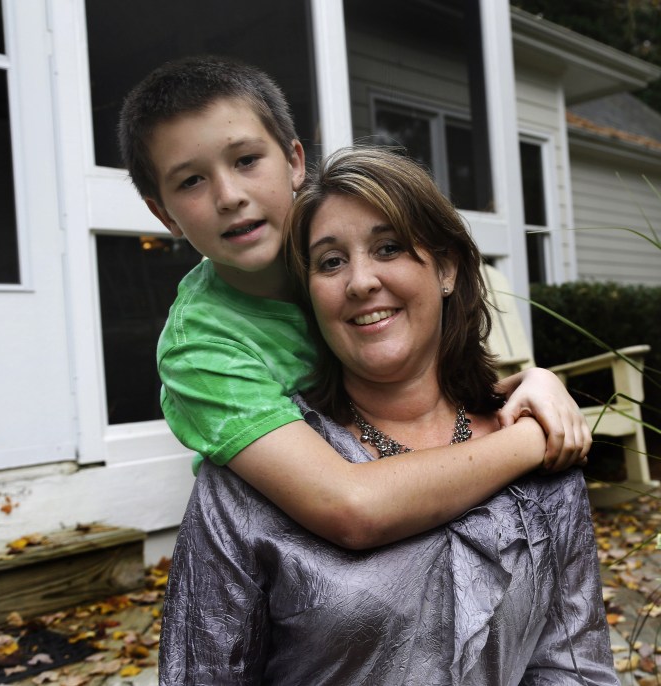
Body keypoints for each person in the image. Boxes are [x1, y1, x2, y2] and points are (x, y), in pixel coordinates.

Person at [159, 146, 616, 684]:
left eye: (388, 247)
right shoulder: (251, 482)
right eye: (331, 262)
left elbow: (573, 666)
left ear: (445, 268)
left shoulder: (542, 450)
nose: (360, 282)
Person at [117, 56, 591, 549]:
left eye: (246, 160)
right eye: (191, 181)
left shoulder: (339, 257)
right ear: (163, 214)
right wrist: (532, 439)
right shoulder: (201, 347)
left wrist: (534, 382)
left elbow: (416, 390)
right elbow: (348, 507)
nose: (229, 195)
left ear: (295, 162)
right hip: (304, 556)